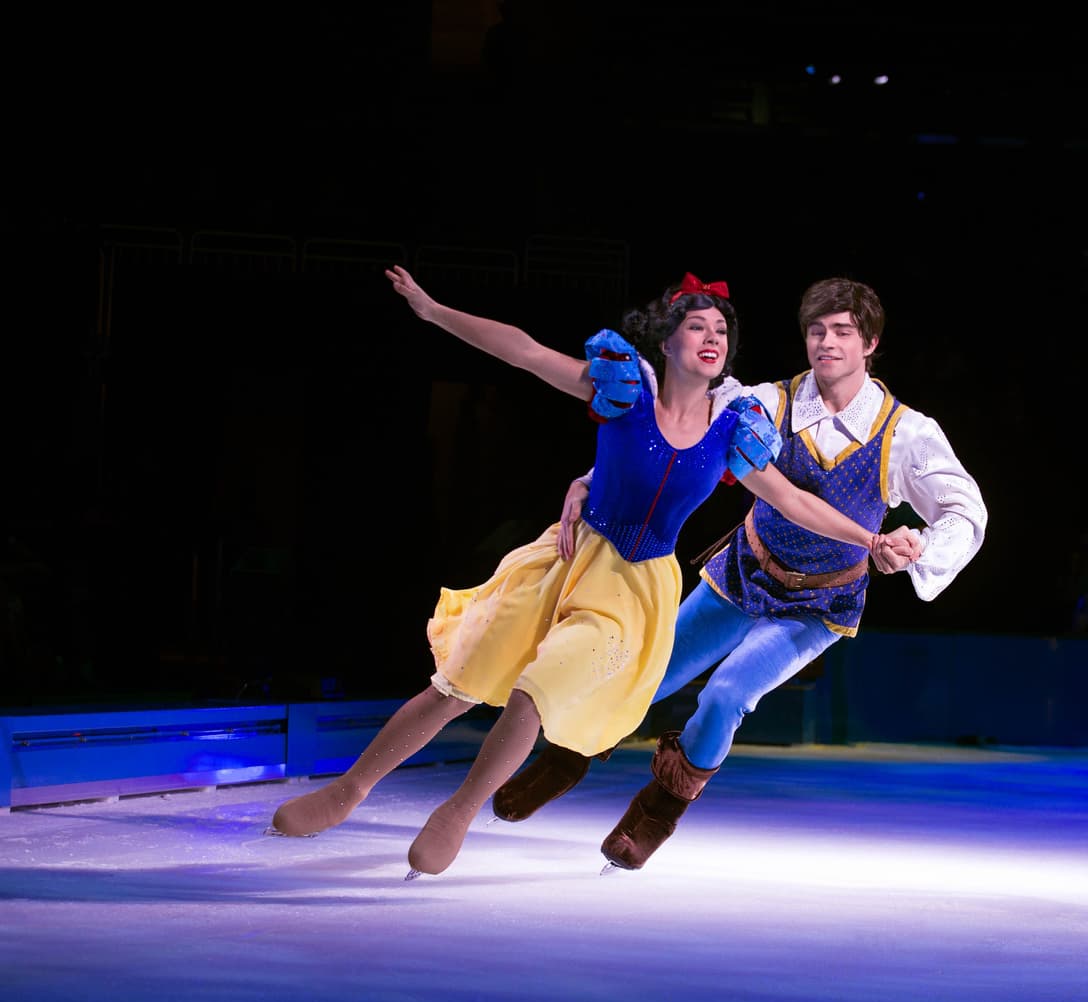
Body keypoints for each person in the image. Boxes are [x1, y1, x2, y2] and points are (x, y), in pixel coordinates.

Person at [268, 269, 920, 876]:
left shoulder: (733, 429)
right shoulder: (623, 387)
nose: (713, 337)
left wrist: (870, 538)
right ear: (666, 340)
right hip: (566, 558)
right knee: (457, 685)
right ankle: (350, 788)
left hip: (635, 590)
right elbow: (524, 351)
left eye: (722, 329)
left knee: (536, 690)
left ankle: (459, 811)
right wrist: (433, 310)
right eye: (697, 325)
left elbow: (796, 501)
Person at [492, 275, 988, 871]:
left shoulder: (905, 433)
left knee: (727, 694)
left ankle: (657, 811)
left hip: (819, 603)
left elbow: (966, 509)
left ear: (870, 343)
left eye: (842, 332)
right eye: (816, 330)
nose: (826, 342)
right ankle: (565, 757)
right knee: (644, 673)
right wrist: (591, 481)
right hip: (746, 571)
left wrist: (917, 549)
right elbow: (675, 439)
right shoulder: (764, 403)